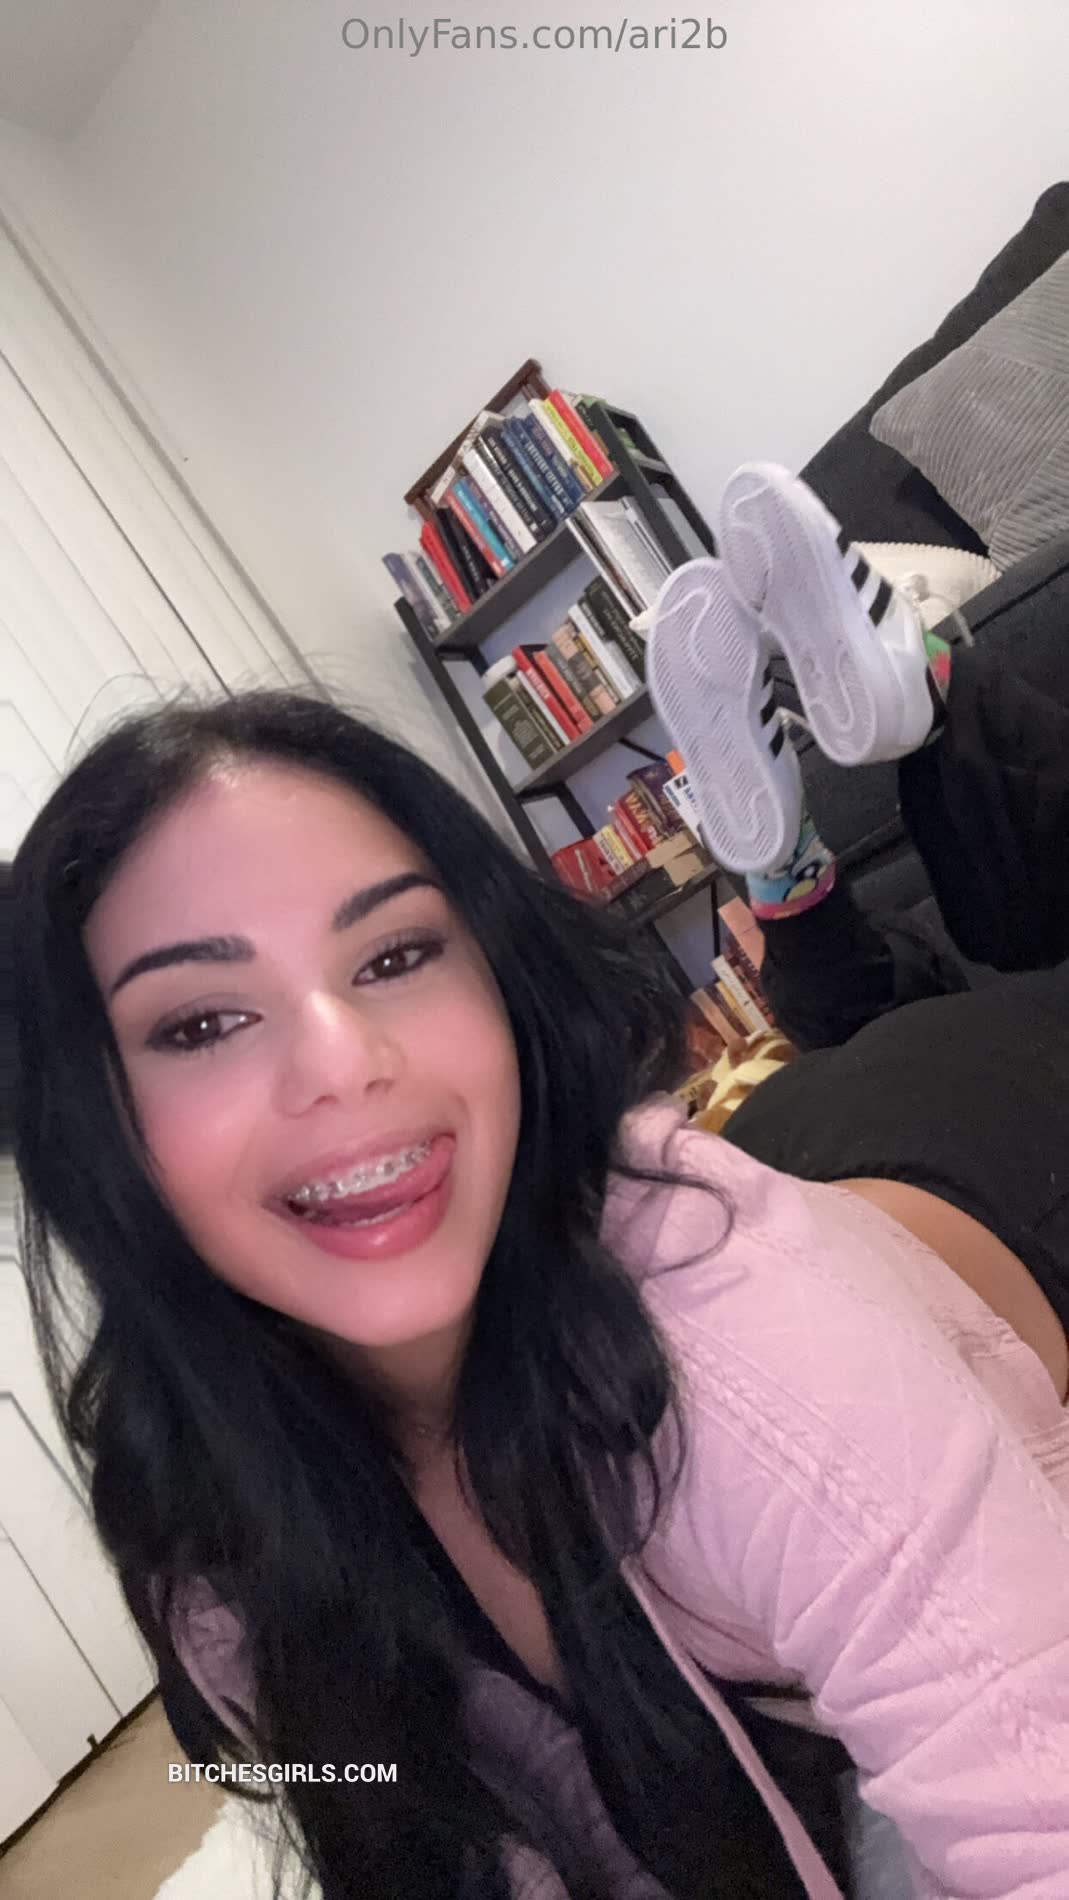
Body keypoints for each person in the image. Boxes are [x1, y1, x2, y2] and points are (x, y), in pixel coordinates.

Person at [8, 472, 1069, 1900]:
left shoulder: (754, 1366)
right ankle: (785, 871)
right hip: (788, 1144)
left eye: (395, 955)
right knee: (856, 1011)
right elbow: (420, 1809)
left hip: (1011, 1158)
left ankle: (922, 677)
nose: (346, 1066)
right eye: (200, 1023)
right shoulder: (210, 1532)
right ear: (86, 1115)